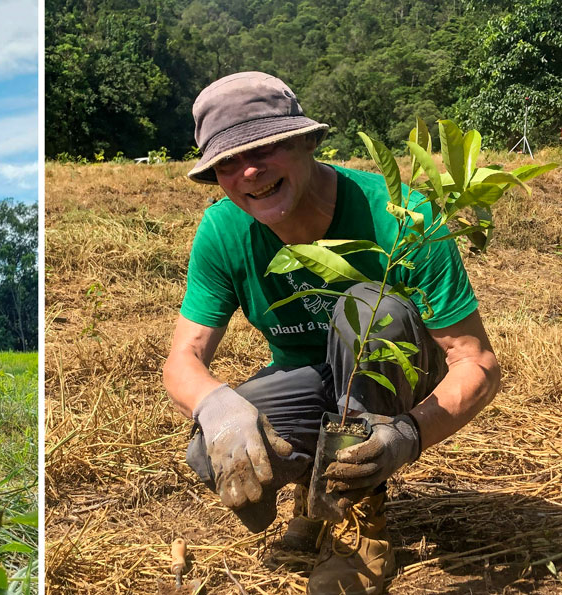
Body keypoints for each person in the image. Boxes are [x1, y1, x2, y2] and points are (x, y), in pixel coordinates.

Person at [163, 72, 500, 594]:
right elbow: (183, 355)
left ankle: (360, 524)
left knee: (369, 310)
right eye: (227, 161)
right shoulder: (223, 230)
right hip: (310, 378)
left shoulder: (406, 218)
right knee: (208, 449)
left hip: (400, 368)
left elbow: (476, 362)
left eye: (266, 147)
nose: (249, 172)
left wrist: (408, 433)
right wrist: (216, 408)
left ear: (308, 140)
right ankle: (318, 494)